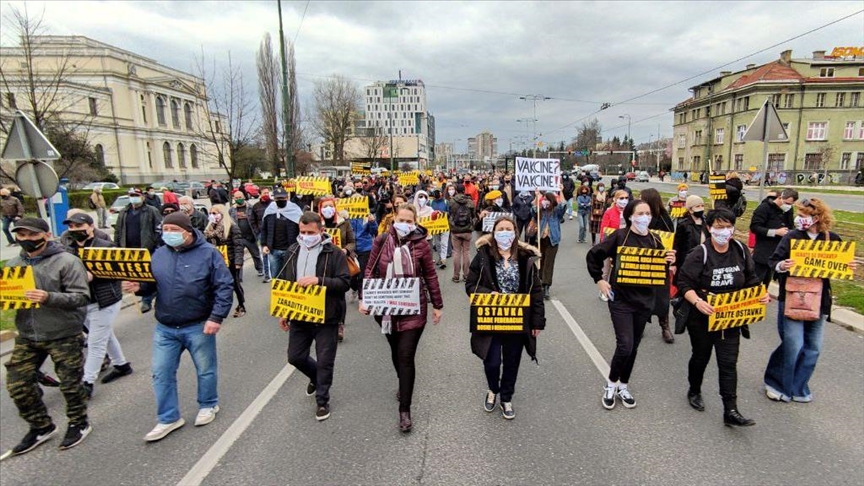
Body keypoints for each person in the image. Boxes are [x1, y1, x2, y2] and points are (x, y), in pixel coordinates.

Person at [123, 212, 234, 442]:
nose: (169, 235)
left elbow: (224, 287)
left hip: (198, 324)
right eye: (166, 230)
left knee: (205, 369)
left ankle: (208, 404)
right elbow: (152, 284)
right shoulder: (159, 254)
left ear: (188, 231)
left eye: (174, 230)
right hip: (165, 327)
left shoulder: (209, 254)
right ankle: (168, 417)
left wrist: (216, 317)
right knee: (161, 372)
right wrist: (139, 288)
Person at [4, 218, 93, 456]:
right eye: (21, 236)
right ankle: (40, 426)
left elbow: (81, 298)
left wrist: (48, 297)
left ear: (46, 234)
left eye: (31, 235)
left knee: (71, 385)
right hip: (29, 334)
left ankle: (78, 422)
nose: (26, 240)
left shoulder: (67, 261)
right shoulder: (14, 264)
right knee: (17, 384)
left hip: (63, 333)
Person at [677, 208, 766, 427]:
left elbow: (751, 279)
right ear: (709, 228)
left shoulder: (741, 251)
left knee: (728, 364)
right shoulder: (700, 254)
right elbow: (683, 284)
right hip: (702, 318)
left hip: (730, 318)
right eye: (719, 227)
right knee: (701, 357)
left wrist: (760, 295)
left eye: (728, 227)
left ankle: (731, 410)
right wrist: (698, 301)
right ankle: (694, 389)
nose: (724, 232)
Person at [361, 203, 444, 433]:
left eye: (410, 221)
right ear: (393, 218)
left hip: (413, 309)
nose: (405, 224)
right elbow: (369, 269)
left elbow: (430, 275)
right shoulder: (380, 241)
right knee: (396, 351)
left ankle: (404, 410)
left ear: (416, 222)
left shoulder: (422, 246)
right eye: (402, 219)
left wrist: (437, 304)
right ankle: (403, 383)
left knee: (406, 355)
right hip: (386, 309)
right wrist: (364, 298)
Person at [764, 198, 856, 403]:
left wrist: (847, 266)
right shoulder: (791, 237)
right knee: (793, 344)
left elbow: (838, 265)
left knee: (813, 347)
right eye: (799, 215)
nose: (799, 219)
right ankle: (776, 383)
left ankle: (798, 386)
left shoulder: (832, 239)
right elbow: (773, 262)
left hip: (819, 299)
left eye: (804, 216)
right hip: (793, 297)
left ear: (817, 218)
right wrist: (782, 266)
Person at [586, 200, 674, 411]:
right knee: (625, 344)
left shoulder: (655, 239)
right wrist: (600, 280)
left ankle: (623, 385)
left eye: (648, 213)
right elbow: (594, 255)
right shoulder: (619, 236)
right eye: (640, 213)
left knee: (633, 346)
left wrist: (669, 260)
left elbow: (660, 271)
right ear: (630, 216)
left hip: (644, 301)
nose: (645, 217)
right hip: (621, 300)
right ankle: (611, 384)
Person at [465, 216, 545, 420]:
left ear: (515, 232)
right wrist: (486, 294)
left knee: (512, 362)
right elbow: (470, 284)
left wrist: (537, 322)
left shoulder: (526, 258)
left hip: (517, 321)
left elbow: (535, 291)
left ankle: (506, 397)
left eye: (508, 229)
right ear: (493, 232)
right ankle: (493, 389)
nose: (504, 232)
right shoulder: (483, 255)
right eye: (500, 229)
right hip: (490, 318)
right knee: (491, 362)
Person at [277, 211, 351, 422]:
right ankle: (315, 377)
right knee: (295, 357)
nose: (306, 236)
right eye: (302, 232)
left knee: (325, 360)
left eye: (310, 232)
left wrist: (319, 280)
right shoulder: (291, 251)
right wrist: (283, 311)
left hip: (326, 316)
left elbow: (344, 283)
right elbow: (285, 282)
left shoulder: (334, 253)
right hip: (299, 315)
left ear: (321, 231)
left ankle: (322, 400)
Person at [63, 213, 133, 399]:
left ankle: (87, 382)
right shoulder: (67, 250)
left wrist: (95, 276)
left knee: (96, 341)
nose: (75, 230)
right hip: (82, 301)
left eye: (79, 226)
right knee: (105, 334)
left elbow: (118, 271)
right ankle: (121, 365)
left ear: (90, 226)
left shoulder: (105, 246)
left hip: (105, 299)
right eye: (71, 227)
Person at [114, 188, 162, 313]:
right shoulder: (124, 212)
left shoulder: (151, 211)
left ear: (142, 197)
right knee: (134, 275)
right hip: (129, 250)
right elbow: (118, 231)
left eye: (136, 195)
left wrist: (155, 245)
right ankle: (141, 295)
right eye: (131, 195)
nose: (134, 197)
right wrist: (117, 247)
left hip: (146, 249)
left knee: (147, 275)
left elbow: (158, 229)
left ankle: (147, 299)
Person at [318, 197, 356, 341]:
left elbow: (352, 242)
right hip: (321, 263)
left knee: (339, 294)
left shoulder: (343, 223)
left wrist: (346, 250)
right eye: (324, 206)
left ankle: (340, 323)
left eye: (330, 206)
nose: (328, 209)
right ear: (320, 209)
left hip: (340, 262)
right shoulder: (316, 224)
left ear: (335, 207)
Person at [641, 188, 675, 343]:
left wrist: (672, 261)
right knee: (642, 295)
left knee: (662, 297)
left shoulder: (664, 218)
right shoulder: (640, 217)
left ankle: (665, 326)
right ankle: (640, 324)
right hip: (642, 263)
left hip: (661, 264)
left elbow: (670, 240)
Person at [205, 204, 246, 318]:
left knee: (234, 284)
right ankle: (216, 308)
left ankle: (241, 305)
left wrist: (238, 261)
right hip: (216, 260)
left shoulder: (231, 227)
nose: (213, 216)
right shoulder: (209, 229)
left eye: (215, 213)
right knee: (214, 284)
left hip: (230, 259)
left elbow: (238, 245)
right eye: (211, 213)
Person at [750, 188, 798, 286]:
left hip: (778, 250)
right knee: (756, 279)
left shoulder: (788, 210)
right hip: (764, 250)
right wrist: (775, 232)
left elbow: (790, 225)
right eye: (787, 203)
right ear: (780, 197)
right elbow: (755, 227)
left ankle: (764, 294)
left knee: (768, 277)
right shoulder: (764, 208)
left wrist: (790, 232)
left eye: (791, 204)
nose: (788, 206)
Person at [260, 188, 303, 283]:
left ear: (287, 198)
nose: (280, 201)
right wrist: (264, 245)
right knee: (276, 278)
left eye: (283, 198)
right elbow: (264, 229)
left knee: (291, 277)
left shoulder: (294, 210)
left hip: (291, 250)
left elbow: (302, 229)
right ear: (274, 199)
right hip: (273, 250)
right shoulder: (270, 211)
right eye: (278, 199)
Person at [532, 190, 566, 300]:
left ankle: (546, 285)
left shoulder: (556, 212)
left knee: (548, 263)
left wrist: (561, 191)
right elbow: (532, 210)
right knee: (540, 261)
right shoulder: (540, 210)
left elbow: (563, 205)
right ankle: (540, 281)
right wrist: (537, 197)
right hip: (540, 240)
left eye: (547, 200)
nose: (545, 202)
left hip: (553, 240)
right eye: (544, 200)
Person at [597, 189, 630, 301]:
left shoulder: (629, 212)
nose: (624, 201)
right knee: (606, 269)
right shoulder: (609, 212)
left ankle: (620, 291)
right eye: (621, 198)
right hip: (610, 244)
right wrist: (604, 245)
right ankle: (603, 290)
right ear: (615, 200)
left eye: (626, 198)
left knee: (621, 268)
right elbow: (604, 229)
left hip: (625, 245)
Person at [672, 196, 707, 285]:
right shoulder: (684, 224)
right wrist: (674, 263)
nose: (701, 209)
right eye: (697, 206)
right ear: (690, 209)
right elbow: (677, 245)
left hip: (704, 259)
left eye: (702, 206)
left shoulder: (706, 223)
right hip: (687, 260)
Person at [230, 191, 264, 278]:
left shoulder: (251, 208)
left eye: (240, 197)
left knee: (255, 254)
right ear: (234, 198)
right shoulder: (232, 210)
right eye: (236, 198)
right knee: (238, 257)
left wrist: (256, 232)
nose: (238, 199)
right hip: (238, 237)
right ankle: (238, 276)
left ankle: (260, 269)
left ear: (244, 197)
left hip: (250, 237)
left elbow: (256, 221)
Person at [449, 184, 476, 283]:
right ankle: (466, 275)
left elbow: (449, 214)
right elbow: (474, 215)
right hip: (467, 230)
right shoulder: (469, 202)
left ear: (456, 190)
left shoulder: (451, 201)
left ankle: (456, 276)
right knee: (466, 252)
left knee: (456, 252)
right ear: (464, 190)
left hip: (455, 230)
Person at [429, 189, 450, 269]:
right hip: (435, 226)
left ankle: (443, 260)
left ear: (442, 193)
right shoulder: (431, 203)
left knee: (444, 243)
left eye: (439, 192)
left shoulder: (446, 202)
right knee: (437, 244)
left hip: (444, 225)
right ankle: (440, 258)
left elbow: (449, 212)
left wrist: (442, 213)